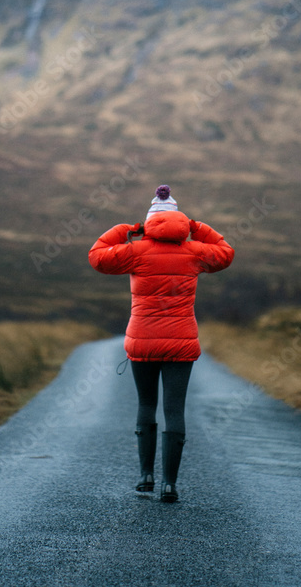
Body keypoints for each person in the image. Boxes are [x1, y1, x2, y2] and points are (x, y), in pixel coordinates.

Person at [88, 185, 234, 503]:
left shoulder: (137, 251)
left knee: (145, 405)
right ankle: (170, 484)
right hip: (181, 343)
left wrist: (126, 230)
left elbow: (97, 258)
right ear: (180, 220)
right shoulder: (194, 251)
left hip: (142, 342)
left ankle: (145, 477)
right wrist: (196, 228)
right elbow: (225, 253)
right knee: (175, 409)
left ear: (149, 222)